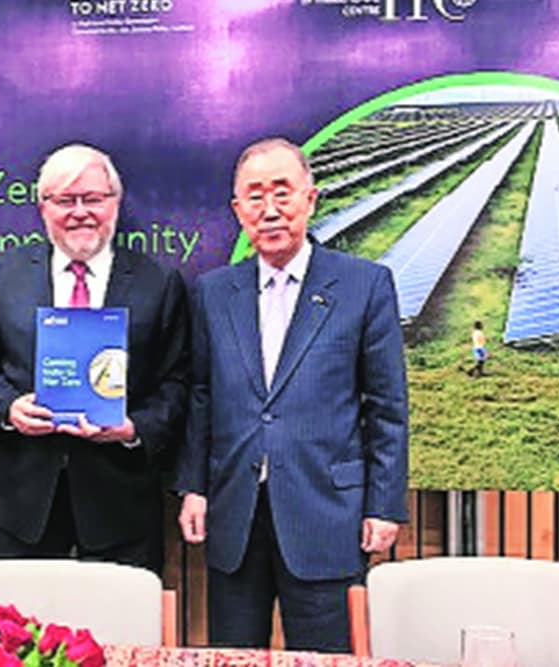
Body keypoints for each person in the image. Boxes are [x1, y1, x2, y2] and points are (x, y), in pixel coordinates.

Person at [175, 138, 408, 652]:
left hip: (327, 512)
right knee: (233, 656)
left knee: (327, 657)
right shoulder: (215, 292)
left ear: (311, 199)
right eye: (254, 197)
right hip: (235, 512)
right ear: (237, 210)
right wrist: (194, 486)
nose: (270, 209)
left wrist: (385, 504)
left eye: (283, 192)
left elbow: (386, 406)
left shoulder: (364, 285)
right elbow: (201, 395)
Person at [0, 143, 189, 573]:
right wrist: (9, 409)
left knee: (121, 636)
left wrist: (133, 428)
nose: (80, 211)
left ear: (115, 204)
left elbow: (177, 382)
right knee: (18, 634)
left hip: (121, 505)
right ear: (43, 208)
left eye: (93, 199)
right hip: (23, 505)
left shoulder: (158, 282)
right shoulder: (3, 273)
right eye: (65, 200)